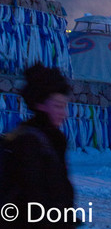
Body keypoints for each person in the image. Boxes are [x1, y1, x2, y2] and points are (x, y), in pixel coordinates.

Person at [2, 62, 75, 228]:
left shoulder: (54, 138)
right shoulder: (27, 141)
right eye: (58, 106)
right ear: (40, 104)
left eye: (65, 106)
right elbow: (34, 198)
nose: (64, 113)